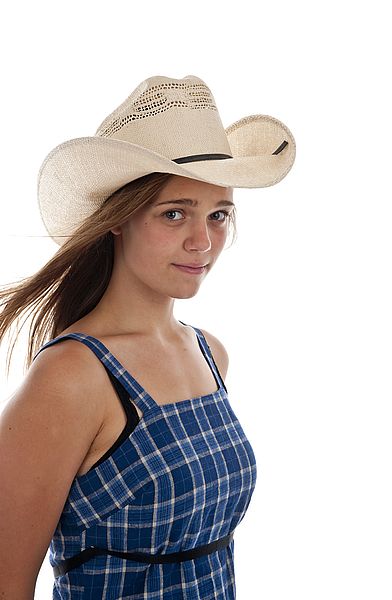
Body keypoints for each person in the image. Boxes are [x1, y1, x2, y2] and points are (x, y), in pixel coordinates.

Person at [0, 74, 296, 599]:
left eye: (219, 214)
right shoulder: (72, 377)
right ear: (118, 219)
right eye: (174, 213)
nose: (202, 241)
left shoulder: (209, 353)